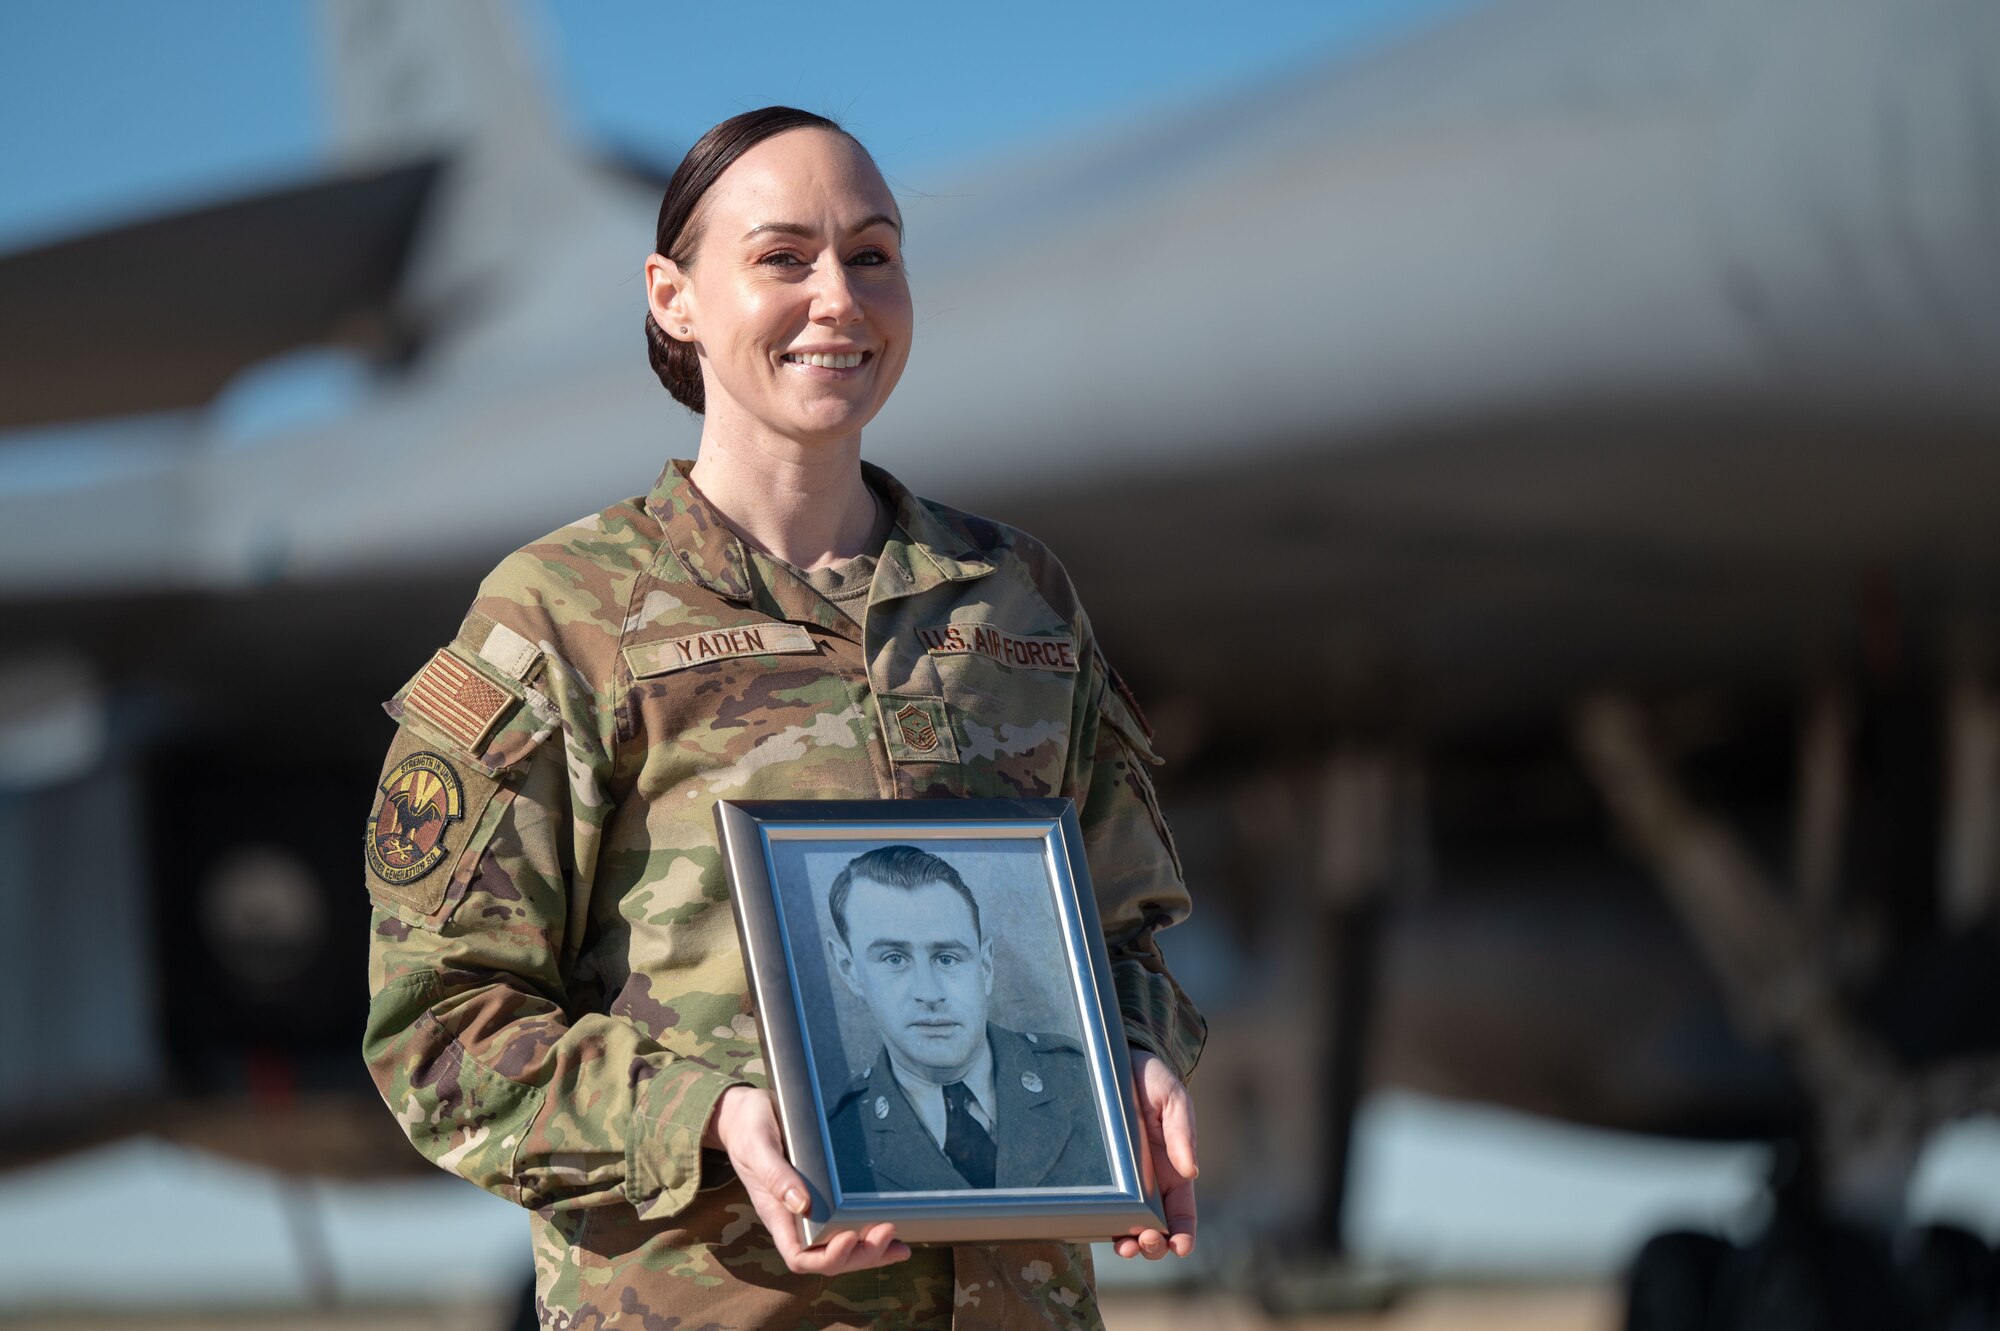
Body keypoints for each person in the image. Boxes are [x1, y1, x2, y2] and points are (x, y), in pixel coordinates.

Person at [361, 106, 1204, 1330]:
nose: (837, 297)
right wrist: (707, 1117)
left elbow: (1122, 934)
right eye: (781, 257)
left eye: (872, 253)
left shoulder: (1016, 598)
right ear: (674, 297)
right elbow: (437, 1030)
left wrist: (1129, 1057)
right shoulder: (563, 615)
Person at [821, 845, 1108, 1193]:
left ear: (985, 966)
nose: (929, 993)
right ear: (849, 971)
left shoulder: (1083, 1085)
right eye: (894, 959)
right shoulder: (836, 1139)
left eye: (947, 958)